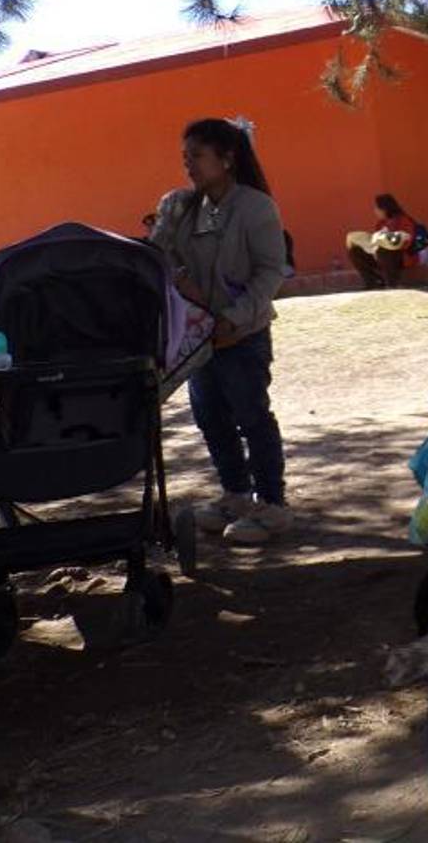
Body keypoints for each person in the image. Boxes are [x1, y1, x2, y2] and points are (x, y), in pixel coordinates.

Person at [151, 118, 290, 545]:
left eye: (196, 156)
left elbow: (271, 272)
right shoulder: (179, 206)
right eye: (184, 157)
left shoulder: (255, 207)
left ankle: (271, 504)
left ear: (226, 159)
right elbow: (156, 256)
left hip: (242, 333)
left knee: (251, 415)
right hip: (197, 338)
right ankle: (234, 494)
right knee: (210, 417)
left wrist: (235, 317)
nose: (188, 165)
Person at [345, 193, 417, 289]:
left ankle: (392, 283)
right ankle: (373, 282)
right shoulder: (380, 223)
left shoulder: (403, 220)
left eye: (376, 208)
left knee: (383, 249)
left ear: (384, 209)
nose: (375, 211)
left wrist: (386, 242)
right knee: (355, 251)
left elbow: (407, 241)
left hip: (401, 256)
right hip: (380, 256)